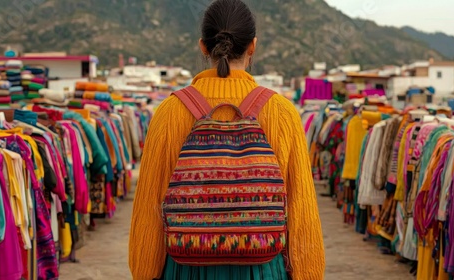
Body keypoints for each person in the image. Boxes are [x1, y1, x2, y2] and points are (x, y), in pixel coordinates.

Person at [129, 0, 325, 279]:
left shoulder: (169, 112)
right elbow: (300, 208)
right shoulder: (282, 112)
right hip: (263, 268)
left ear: (203, 46)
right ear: (253, 46)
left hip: (186, 268)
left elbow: (150, 206)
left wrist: (145, 272)